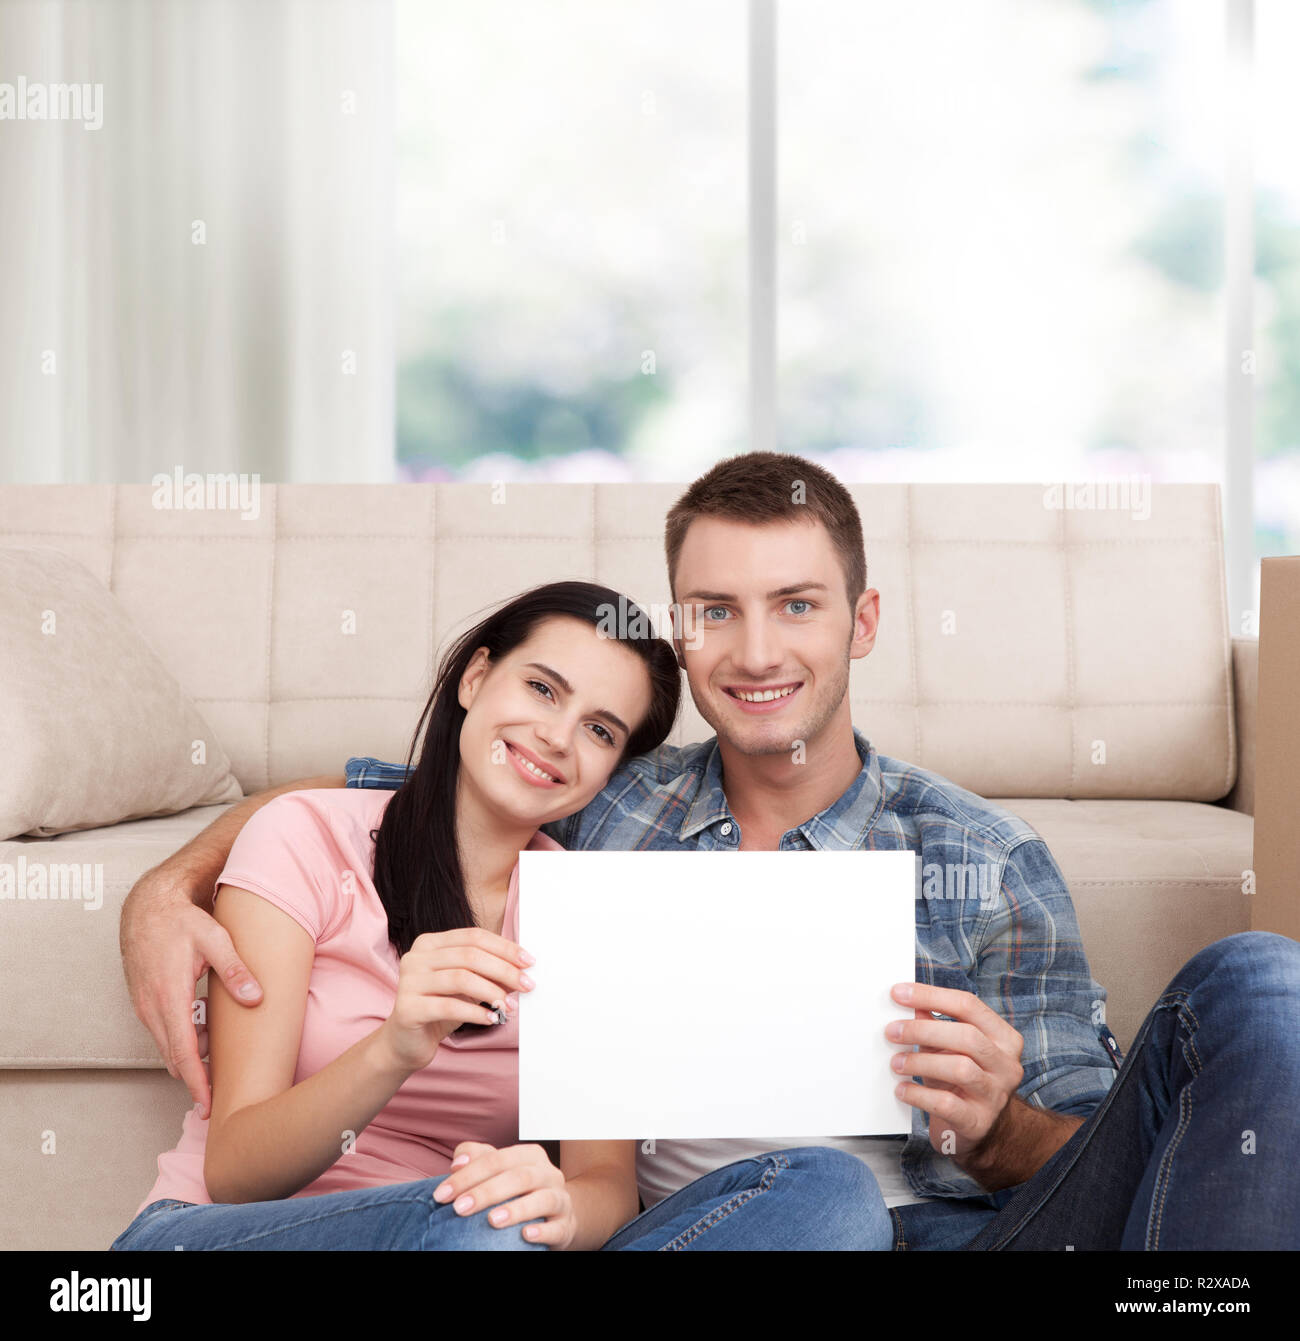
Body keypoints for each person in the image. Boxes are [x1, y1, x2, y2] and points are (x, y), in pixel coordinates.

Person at [122, 452, 1300, 1251]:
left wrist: (997, 1131)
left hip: (955, 1232)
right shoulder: (599, 808)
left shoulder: (981, 856)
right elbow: (412, 796)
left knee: (1258, 978)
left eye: (796, 604)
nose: (754, 650)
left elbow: (1091, 1155)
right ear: (681, 639)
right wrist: (169, 884)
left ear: (863, 622)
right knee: (820, 1194)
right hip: (720, 1226)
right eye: (713, 612)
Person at [111, 579, 889, 1251]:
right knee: (476, 1226)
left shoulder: (587, 909)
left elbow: (605, 1182)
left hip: (486, 1234)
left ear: (610, 772)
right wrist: (394, 1047)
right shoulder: (305, 834)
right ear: (476, 677)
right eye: (543, 689)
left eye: (599, 730)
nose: (556, 736)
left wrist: (559, 1207)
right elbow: (236, 1167)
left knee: (833, 1192)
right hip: (230, 1230)